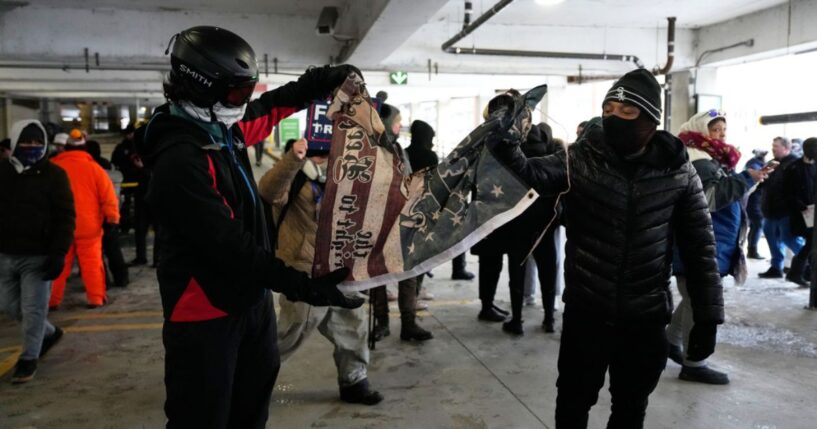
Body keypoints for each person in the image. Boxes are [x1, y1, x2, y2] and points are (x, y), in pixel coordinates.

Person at [136, 26, 363, 428]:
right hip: (205, 310)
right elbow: (228, 247)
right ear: (202, 87)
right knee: (202, 417)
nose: (244, 103)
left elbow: (273, 106)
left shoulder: (223, 130)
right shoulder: (180, 162)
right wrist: (300, 284)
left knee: (251, 407)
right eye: (237, 93)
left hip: (251, 299)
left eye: (247, 91)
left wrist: (320, 81)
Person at [492, 69, 723, 428]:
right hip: (587, 311)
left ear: (649, 119)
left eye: (627, 112)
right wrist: (506, 145)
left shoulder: (678, 170)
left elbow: (700, 247)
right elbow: (529, 174)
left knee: (630, 407)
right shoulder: (582, 157)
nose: (615, 118)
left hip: (645, 317)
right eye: (608, 109)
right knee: (572, 401)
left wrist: (708, 315)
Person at [258, 138, 383, 405]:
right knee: (294, 330)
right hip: (304, 269)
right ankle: (249, 376)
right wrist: (295, 158)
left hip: (341, 267)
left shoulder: (344, 175)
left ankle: (354, 379)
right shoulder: (295, 175)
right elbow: (268, 191)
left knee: (353, 324)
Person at [668, 110, 767, 385]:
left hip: (710, 242)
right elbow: (710, 199)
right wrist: (746, 178)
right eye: (715, 129)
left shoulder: (711, 158)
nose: (721, 133)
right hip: (698, 244)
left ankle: (670, 341)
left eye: (723, 128)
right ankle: (694, 363)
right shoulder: (699, 161)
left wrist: (750, 180)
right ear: (701, 129)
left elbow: (726, 195)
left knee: (691, 298)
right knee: (699, 303)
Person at [0, 120, 74, 383]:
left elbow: (66, 216)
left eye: (37, 143)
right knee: (9, 306)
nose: (32, 147)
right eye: (26, 142)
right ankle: (50, 333)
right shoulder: (2, 172)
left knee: (33, 310)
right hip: (5, 255)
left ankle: (29, 358)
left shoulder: (55, 175)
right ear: (14, 141)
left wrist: (59, 252)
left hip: (38, 257)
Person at [370, 104, 434, 342]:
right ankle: (381, 322)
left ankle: (409, 324)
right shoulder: (373, 149)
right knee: (377, 276)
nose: (400, 126)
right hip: (377, 221)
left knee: (407, 272)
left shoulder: (398, 148)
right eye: (397, 121)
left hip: (402, 220)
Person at [49, 131, 120, 309]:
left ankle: (51, 301)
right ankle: (95, 298)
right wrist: (112, 218)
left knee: (59, 265)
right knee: (92, 264)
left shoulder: (53, 168)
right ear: (84, 147)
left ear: (65, 147)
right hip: (89, 226)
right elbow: (108, 197)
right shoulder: (94, 169)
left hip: (59, 227)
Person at [759, 137, 805, 279]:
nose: (773, 148)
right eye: (773, 145)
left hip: (786, 211)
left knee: (789, 239)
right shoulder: (772, 164)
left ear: (786, 148)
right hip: (770, 210)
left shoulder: (795, 163)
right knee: (772, 239)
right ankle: (776, 267)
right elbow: (762, 183)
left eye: (776, 146)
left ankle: (808, 264)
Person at [86, 140, 130, 288]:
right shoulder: (106, 165)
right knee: (113, 250)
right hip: (111, 214)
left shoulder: (90, 168)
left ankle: (104, 281)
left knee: (97, 253)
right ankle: (121, 278)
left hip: (95, 215)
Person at [782, 138, 817, 287]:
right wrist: (800, 206)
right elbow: (787, 191)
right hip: (801, 212)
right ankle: (796, 272)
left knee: (812, 243)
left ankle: (803, 272)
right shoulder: (794, 167)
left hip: (813, 211)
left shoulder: (815, 165)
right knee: (811, 242)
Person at [745, 149, 768, 259]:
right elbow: (757, 180)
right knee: (758, 224)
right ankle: (752, 250)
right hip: (754, 200)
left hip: (754, 199)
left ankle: (751, 249)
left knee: (755, 225)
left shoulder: (753, 163)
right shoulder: (755, 164)